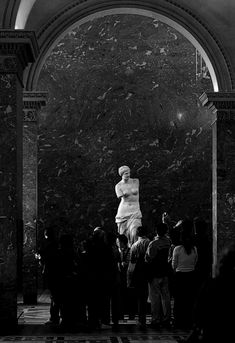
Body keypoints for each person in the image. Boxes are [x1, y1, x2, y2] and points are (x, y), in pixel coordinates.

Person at [145, 222, 172, 329]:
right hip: (165, 272)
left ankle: (156, 319)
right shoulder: (169, 241)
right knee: (166, 297)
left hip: (155, 273)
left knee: (155, 297)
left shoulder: (153, 244)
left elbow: (148, 259)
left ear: (156, 231)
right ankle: (167, 318)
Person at [172, 226, 198, 329]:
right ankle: (189, 321)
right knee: (189, 300)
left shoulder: (177, 249)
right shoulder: (194, 249)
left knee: (179, 300)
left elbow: (174, 265)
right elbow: (196, 262)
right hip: (191, 276)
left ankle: (178, 321)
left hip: (180, 276)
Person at [127, 226, 150, 329]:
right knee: (145, 296)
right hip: (147, 272)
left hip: (137, 273)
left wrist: (129, 277)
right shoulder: (149, 243)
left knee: (139, 297)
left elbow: (131, 262)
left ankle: (140, 319)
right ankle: (144, 318)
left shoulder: (134, 245)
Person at [38, 226, 60, 326]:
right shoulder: (55, 245)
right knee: (55, 296)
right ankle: (55, 317)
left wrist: (39, 258)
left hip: (51, 272)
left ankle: (54, 318)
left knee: (54, 296)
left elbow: (44, 258)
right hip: (55, 272)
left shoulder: (48, 246)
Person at [115, 165, 142, 246]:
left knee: (135, 233)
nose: (128, 175)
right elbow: (119, 196)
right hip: (124, 212)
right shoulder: (118, 186)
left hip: (135, 211)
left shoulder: (135, 181)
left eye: (129, 173)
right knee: (124, 236)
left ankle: (135, 251)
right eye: (126, 173)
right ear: (122, 174)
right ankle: (126, 254)